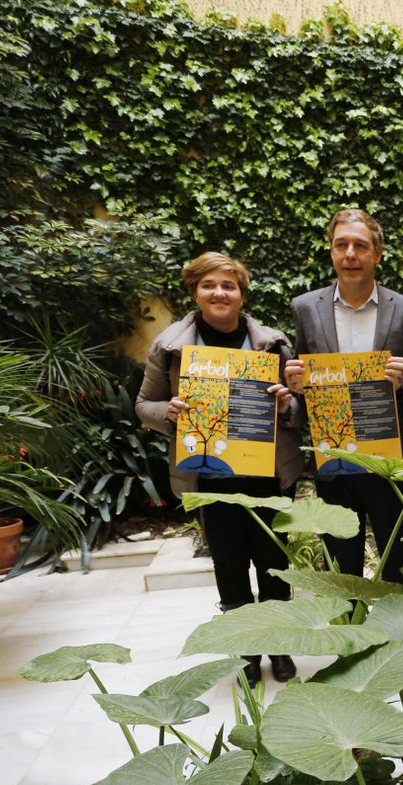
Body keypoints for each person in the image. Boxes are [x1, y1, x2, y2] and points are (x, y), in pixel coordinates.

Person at [135, 252, 300, 685]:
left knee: (273, 562)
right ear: (195, 292)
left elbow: (298, 405)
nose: (219, 293)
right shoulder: (170, 347)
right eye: (209, 285)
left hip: (267, 474)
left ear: (242, 294)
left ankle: (279, 645)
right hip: (210, 476)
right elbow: (142, 405)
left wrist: (287, 403)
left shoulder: (272, 344)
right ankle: (244, 650)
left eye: (228, 286)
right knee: (229, 566)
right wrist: (166, 412)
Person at [284, 208, 403, 581]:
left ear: (377, 254)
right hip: (334, 462)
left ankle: (398, 639)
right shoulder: (305, 308)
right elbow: (301, 386)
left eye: (360, 246)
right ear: (331, 252)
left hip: (390, 464)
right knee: (341, 571)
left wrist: (402, 381)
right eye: (341, 245)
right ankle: (350, 637)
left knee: (398, 569)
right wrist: (297, 385)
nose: (350, 254)